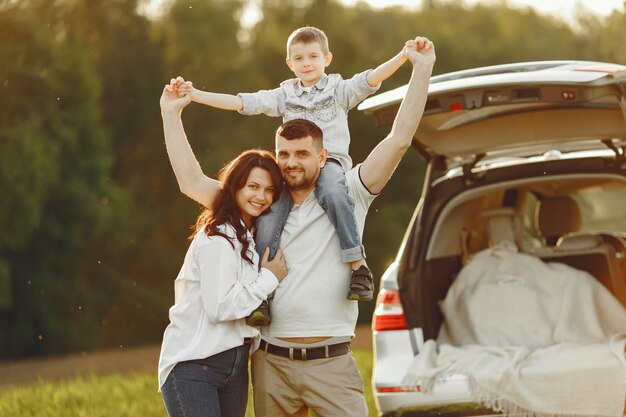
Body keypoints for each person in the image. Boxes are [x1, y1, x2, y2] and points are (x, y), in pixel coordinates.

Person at [164, 36, 435, 417]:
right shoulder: (259, 205)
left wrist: (421, 70)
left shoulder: (350, 191)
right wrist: (173, 114)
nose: (291, 162)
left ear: (323, 156)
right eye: (284, 154)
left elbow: (399, 138)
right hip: (270, 364)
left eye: (303, 154)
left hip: (332, 363)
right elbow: (192, 182)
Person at [175, 26, 413, 317]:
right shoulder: (285, 94)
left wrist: (403, 56)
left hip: (330, 164)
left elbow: (371, 78)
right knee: (270, 215)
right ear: (290, 63)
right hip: (290, 169)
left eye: (313, 56)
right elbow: (244, 102)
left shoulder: (338, 89)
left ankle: (358, 266)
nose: (307, 63)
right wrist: (197, 95)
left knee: (334, 191)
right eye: (299, 58)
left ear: (327, 58)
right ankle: (261, 290)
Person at [156, 90, 289, 417]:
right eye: (253, 187)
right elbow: (220, 307)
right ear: (236, 187)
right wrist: (269, 279)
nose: (261, 196)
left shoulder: (251, 230)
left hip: (234, 364)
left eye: (270, 189)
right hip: (194, 365)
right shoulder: (219, 236)